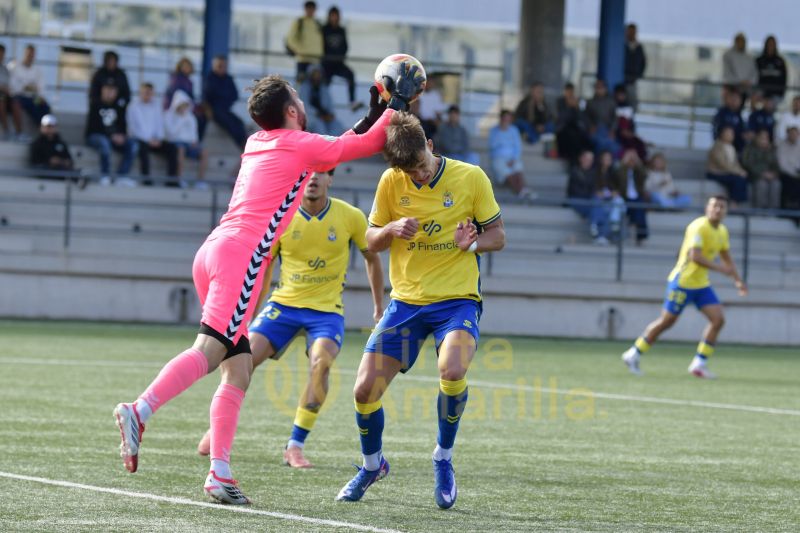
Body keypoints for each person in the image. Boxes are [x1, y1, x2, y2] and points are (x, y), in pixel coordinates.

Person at [112, 66, 422, 504]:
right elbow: (361, 147)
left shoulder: (259, 141)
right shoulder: (300, 145)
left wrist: (373, 115)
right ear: (293, 109)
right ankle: (138, 410)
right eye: (298, 98)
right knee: (210, 350)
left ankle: (219, 473)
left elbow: (334, 147)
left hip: (213, 251)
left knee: (237, 370)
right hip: (241, 257)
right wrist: (396, 106)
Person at [335, 112, 505, 509]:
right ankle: (372, 465)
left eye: (423, 168)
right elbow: (371, 241)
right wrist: (389, 231)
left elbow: (499, 235)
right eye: (412, 173)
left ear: (431, 145)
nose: (421, 177)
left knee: (453, 369)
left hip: (456, 300)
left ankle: (443, 458)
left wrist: (473, 244)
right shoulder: (391, 182)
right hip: (407, 302)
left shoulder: (471, 177)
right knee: (363, 390)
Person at [195, 168, 385, 467]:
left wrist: (378, 306)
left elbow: (372, 258)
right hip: (283, 306)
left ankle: (295, 445)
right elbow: (265, 270)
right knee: (241, 358)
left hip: (326, 311)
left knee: (321, 364)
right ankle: (217, 428)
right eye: (306, 173)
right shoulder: (281, 218)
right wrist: (248, 314)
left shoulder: (350, 216)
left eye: (320, 173)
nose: (313, 179)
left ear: (330, 179)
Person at [622, 196, 748, 379]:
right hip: (682, 283)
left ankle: (699, 364)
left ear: (726, 211)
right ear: (707, 208)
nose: (718, 210)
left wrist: (738, 280)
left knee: (718, 319)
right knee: (667, 322)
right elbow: (695, 256)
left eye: (722, 206)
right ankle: (633, 353)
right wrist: (721, 269)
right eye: (715, 206)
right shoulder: (698, 227)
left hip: (701, 285)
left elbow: (727, 257)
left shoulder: (722, 231)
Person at [85, 81, 137, 186]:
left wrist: (121, 136)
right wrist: (111, 136)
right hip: (95, 136)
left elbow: (122, 125)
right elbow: (94, 127)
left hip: (114, 138)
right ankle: (105, 175)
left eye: (112, 90)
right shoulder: (95, 105)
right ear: (102, 91)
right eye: (107, 89)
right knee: (104, 143)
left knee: (133, 145)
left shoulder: (119, 107)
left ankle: (122, 176)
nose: (110, 93)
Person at [127, 82, 177, 184]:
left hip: (155, 140)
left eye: (150, 93)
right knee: (143, 149)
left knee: (172, 148)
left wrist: (158, 139)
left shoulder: (156, 106)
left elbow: (159, 124)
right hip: (140, 139)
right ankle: (146, 180)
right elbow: (132, 128)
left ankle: (171, 181)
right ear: (140, 93)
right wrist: (147, 140)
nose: (148, 95)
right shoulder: (132, 106)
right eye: (145, 93)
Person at [321, 6, 362, 111]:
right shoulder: (324, 29)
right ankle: (323, 105)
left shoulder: (341, 30)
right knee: (324, 84)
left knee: (350, 74)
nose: (335, 18)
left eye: (336, 16)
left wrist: (340, 56)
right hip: (327, 64)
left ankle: (352, 102)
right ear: (329, 17)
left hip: (338, 63)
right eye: (333, 16)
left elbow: (345, 46)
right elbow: (320, 45)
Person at [165, 90, 208, 188]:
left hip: (189, 144)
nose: (184, 107)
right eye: (182, 105)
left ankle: (200, 181)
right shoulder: (169, 115)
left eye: (185, 105)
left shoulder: (191, 117)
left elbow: (194, 134)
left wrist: (194, 142)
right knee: (181, 150)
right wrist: (182, 120)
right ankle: (179, 179)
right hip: (175, 143)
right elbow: (171, 134)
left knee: (204, 152)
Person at [567, 150, 612, 244]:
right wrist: (594, 194)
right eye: (587, 159)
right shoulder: (575, 171)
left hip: (589, 201)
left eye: (591, 159)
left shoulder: (593, 173)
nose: (589, 161)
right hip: (576, 199)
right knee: (599, 207)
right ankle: (600, 235)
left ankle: (595, 226)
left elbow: (595, 188)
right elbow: (575, 191)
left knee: (601, 208)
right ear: (581, 159)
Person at [203, 55, 248, 150]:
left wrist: (224, 100)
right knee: (230, 123)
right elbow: (207, 97)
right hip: (215, 111)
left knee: (238, 122)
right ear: (214, 66)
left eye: (223, 66)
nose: (222, 68)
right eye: (219, 66)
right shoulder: (210, 79)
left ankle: (246, 142)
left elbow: (235, 95)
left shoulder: (228, 79)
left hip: (225, 109)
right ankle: (242, 144)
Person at [8, 44, 51, 141]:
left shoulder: (37, 70)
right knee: (16, 103)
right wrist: (25, 87)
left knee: (44, 107)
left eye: (32, 54)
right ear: (24, 54)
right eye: (28, 54)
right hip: (18, 97)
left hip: (33, 98)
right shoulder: (15, 66)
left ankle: (46, 134)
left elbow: (41, 88)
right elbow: (12, 86)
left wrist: (40, 96)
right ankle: (19, 133)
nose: (30, 56)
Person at [488, 109, 533, 198]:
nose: (506, 121)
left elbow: (517, 147)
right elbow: (492, 146)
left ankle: (521, 191)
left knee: (517, 167)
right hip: (498, 158)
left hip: (512, 158)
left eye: (508, 119)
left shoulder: (514, 130)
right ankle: (522, 191)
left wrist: (513, 159)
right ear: (501, 119)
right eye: (505, 119)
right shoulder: (494, 131)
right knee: (504, 170)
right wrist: (501, 131)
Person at [164, 57, 207, 139]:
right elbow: (178, 97)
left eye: (189, 66)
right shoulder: (176, 79)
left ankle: (195, 141)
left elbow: (191, 97)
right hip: (176, 108)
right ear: (180, 67)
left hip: (186, 106)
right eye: (185, 66)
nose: (187, 68)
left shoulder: (189, 81)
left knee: (202, 117)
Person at [612, 149, 649, 244]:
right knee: (633, 209)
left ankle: (640, 236)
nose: (631, 161)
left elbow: (644, 175)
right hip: (624, 197)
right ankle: (637, 233)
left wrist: (637, 161)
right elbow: (616, 175)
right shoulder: (622, 170)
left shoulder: (638, 171)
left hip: (637, 197)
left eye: (633, 159)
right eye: (630, 159)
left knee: (640, 208)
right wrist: (624, 162)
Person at [706, 126, 748, 206]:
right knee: (736, 179)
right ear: (722, 134)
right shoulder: (717, 147)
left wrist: (741, 171)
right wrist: (738, 172)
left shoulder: (732, 147)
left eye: (732, 133)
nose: (731, 135)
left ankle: (738, 202)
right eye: (729, 133)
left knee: (741, 178)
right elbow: (722, 164)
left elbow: (736, 163)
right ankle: (733, 203)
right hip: (716, 173)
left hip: (728, 172)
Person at [299, 65, 345, 136]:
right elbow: (304, 105)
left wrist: (330, 114)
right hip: (311, 116)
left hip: (324, 115)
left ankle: (333, 144)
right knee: (320, 125)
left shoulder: (324, 88)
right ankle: (323, 145)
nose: (317, 76)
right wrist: (318, 114)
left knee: (338, 126)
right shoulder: (304, 87)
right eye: (315, 74)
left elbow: (329, 103)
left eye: (319, 74)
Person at [742, 130, 781, 209]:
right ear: (756, 138)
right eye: (762, 138)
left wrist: (774, 174)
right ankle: (760, 210)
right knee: (762, 185)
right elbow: (748, 164)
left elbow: (776, 165)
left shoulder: (771, 150)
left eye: (766, 138)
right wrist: (762, 174)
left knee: (776, 184)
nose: (764, 140)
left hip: (770, 176)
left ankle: (773, 211)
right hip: (755, 176)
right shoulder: (750, 149)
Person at [286, 1, 324, 81]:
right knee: (302, 85)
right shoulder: (300, 22)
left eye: (312, 9)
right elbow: (290, 38)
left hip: (315, 61)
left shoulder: (317, 23)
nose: (310, 11)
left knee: (315, 88)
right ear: (305, 9)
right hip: (303, 60)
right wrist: (299, 49)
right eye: (308, 8)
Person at [555, 82, 591, 162]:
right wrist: (568, 107)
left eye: (572, 92)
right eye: (568, 92)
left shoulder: (579, 102)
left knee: (584, 139)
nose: (570, 94)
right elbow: (561, 119)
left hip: (576, 129)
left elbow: (583, 119)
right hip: (563, 130)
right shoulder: (560, 102)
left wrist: (576, 107)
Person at [585, 79, 619, 154]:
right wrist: (590, 126)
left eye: (601, 87)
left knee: (613, 145)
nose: (599, 90)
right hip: (595, 130)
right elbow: (586, 117)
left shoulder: (611, 102)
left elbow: (615, 118)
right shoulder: (590, 102)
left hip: (607, 130)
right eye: (597, 87)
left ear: (605, 89)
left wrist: (612, 130)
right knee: (598, 142)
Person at [722, 33, 756, 105]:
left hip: (746, 89)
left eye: (743, 41)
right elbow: (727, 74)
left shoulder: (749, 57)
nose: (741, 44)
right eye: (739, 41)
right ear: (735, 42)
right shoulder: (728, 55)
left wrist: (748, 82)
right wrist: (739, 82)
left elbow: (754, 73)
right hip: (732, 87)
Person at [712, 89, 745, 153]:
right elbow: (716, 130)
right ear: (727, 99)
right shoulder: (721, 113)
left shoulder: (739, 114)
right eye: (733, 98)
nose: (735, 101)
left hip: (737, 148)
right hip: (722, 147)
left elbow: (742, 131)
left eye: (737, 99)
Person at [777, 126, 800, 213]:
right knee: (793, 184)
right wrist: (795, 173)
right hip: (787, 174)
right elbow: (782, 165)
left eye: (795, 134)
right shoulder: (782, 146)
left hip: (798, 173)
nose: (793, 136)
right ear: (787, 134)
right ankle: (790, 211)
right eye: (791, 134)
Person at [756, 35, 786, 102]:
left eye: (772, 44)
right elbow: (754, 77)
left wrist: (781, 94)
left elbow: (784, 79)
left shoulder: (780, 61)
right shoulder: (759, 61)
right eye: (769, 44)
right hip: (761, 94)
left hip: (776, 95)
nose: (770, 46)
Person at [623, 23, 646, 109]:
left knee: (632, 102)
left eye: (633, 32)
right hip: (623, 77)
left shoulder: (639, 47)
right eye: (629, 32)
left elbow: (643, 62)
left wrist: (639, 74)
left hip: (633, 79)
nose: (631, 34)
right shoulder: (622, 45)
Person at [0, 44, 11, 138]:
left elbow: (8, 85)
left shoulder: (5, 69)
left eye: (2, 54)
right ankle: (6, 130)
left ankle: (17, 132)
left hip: (5, 96)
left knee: (16, 102)